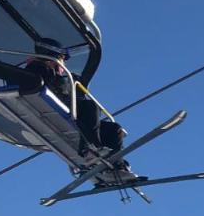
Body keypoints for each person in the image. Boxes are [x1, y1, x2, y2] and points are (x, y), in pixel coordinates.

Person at [23, 38, 127, 167]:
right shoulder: (37, 68)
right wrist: (65, 83)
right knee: (90, 106)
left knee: (114, 129)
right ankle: (91, 148)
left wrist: (72, 86)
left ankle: (118, 164)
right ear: (51, 56)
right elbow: (50, 88)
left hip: (65, 107)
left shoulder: (53, 72)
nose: (62, 63)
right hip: (50, 104)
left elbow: (63, 91)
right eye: (61, 58)